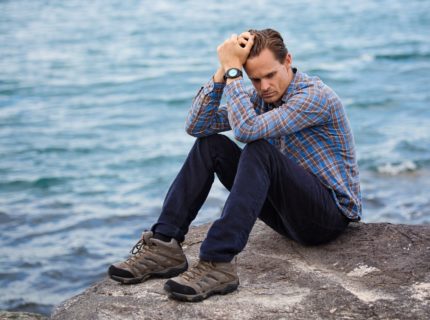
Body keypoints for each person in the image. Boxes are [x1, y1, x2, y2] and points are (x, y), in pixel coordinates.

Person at [108, 28, 362, 302]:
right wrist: (223, 71)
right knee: (211, 145)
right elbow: (198, 126)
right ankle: (164, 244)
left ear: (288, 61)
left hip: (326, 220)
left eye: (270, 75)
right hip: (286, 215)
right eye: (254, 79)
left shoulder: (314, 97)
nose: (264, 86)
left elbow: (246, 130)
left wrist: (234, 72)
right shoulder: (262, 96)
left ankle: (217, 262)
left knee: (259, 149)